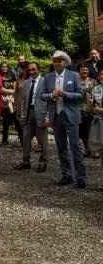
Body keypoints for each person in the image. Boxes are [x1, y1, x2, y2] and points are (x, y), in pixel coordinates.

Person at [38, 50, 85, 188]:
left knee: (75, 147)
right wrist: (51, 96)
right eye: (55, 61)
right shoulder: (48, 77)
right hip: (56, 116)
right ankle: (67, 175)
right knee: (61, 147)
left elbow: (80, 95)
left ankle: (81, 178)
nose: (57, 63)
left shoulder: (74, 75)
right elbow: (42, 95)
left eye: (60, 60)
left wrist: (64, 94)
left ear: (65, 62)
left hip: (71, 115)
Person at [14, 61, 47, 172]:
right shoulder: (27, 83)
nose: (31, 72)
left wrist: (47, 117)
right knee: (26, 138)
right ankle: (26, 161)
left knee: (42, 140)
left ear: (39, 69)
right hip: (28, 113)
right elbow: (23, 100)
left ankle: (43, 162)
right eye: (30, 70)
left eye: (34, 69)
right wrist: (22, 115)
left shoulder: (45, 82)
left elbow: (50, 101)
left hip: (41, 114)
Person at [0, 61, 19, 146]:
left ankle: (22, 139)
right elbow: (0, 89)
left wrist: (12, 93)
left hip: (12, 100)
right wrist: (10, 92)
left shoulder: (11, 75)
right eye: (3, 66)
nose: (4, 68)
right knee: (5, 121)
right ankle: (4, 140)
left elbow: (15, 87)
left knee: (16, 119)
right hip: (4, 100)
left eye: (6, 66)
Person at [78, 63, 94, 156]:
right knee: (81, 130)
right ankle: (84, 149)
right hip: (78, 109)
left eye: (86, 70)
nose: (84, 71)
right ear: (79, 71)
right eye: (82, 69)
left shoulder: (93, 81)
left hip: (90, 110)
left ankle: (90, 148)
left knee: (90, 130)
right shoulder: (76, 81)